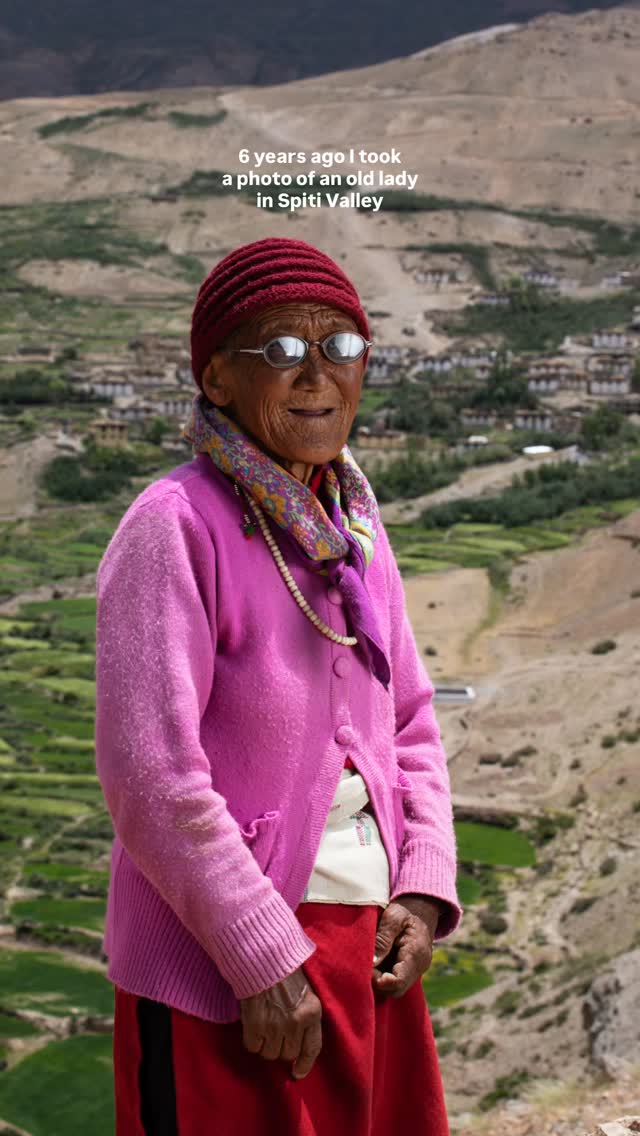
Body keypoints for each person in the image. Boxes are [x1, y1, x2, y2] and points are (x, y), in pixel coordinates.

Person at [95, 236, 464, 1136]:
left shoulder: (354, 527)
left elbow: (408, 719)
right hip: (227, 961)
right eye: (283, 350)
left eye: (340, 348)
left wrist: (421, 881)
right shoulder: (174, 528)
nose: (316, 375)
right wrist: (260, 955)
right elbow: (153, 777)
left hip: (362, 946)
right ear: (217, 380)